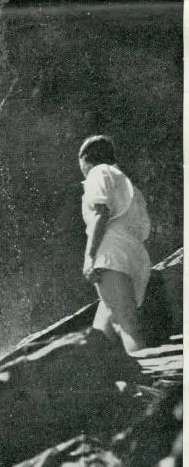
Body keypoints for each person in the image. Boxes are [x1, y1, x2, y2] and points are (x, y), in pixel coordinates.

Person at [78, 135, 151, 354]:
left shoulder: (97, 173)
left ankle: (152, 383)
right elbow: (143, 228)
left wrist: (90, 257)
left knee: (126, 324)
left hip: (111, 256)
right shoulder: (125, 182)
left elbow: (102, 213)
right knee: (100, 333)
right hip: (131, 256)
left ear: (86, 160)